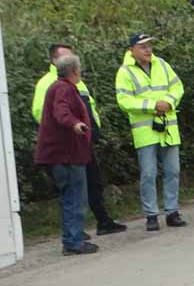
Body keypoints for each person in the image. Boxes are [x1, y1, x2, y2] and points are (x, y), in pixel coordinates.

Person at [32, 43, 127, 236]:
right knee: (74, 194)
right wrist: (73, 126)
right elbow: (51, 112)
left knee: (91, 184)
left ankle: (99, 222)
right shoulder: (51, 84)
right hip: (67, 146)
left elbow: (88, 108)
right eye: (66, 57)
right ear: (54, 61)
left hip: (82, 142)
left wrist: (93, 129)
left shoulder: (74, 83)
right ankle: (75, 236)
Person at [115, 33, 187, 231]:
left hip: (168, 128)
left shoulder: (162, 64)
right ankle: (151, 215)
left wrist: (169, 102)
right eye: (142, 46)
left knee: (173, 171)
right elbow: (124, 101)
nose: (148, 50)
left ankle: (172, 212)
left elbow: (178, 87)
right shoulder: (125, 72)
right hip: (145, 131)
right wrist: (153, 106)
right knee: (149, 174)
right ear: (132, 50)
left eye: (149, 45)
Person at [35, 54, 98, 256]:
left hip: (61, 154)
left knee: (68, 197)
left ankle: (71, 239)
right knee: (75, 197)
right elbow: (61, 112)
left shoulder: (57, 86)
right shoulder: (63, 88)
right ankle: (74, 241)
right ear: (75, 70)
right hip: (67, 154)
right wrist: (76, 124)